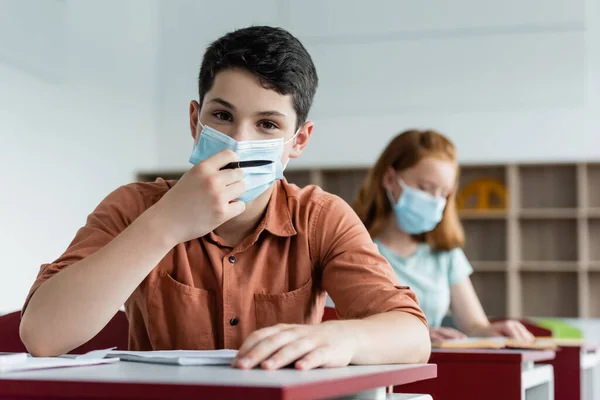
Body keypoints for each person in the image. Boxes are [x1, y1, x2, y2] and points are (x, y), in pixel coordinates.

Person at [19, 26, 431, 370]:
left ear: (298, 142)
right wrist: (164, 225)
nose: (238, 141)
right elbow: (42, 335)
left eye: (268, 124)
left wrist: (344, 336)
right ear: (195, 120)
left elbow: (412, 335)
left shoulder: (320, 218)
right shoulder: (135, 206)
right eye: (222, 116)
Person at [351, 130, 534, 342]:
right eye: (425, 188)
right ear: (390, 179)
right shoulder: (353, 247)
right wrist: (412, 336)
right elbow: (343, 325)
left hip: (435, 368)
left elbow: (474, 325)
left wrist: (492, 331)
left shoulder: (444, 252)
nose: (435, 201)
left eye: (444, 194)